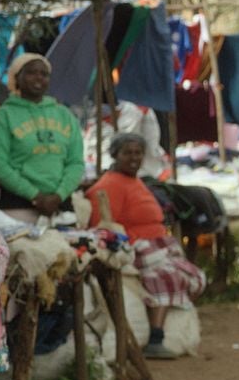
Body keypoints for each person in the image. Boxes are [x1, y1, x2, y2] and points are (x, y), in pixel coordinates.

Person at [86, 133, 207, 360]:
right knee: (165, 276)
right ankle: (156, 337)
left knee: (190, 274)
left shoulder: (135, 180)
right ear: (115, 155)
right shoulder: (110, 184)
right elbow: (105, 225)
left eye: (138, 153)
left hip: (158, 244)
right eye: (127, 153)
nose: (134, 158)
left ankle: (171, 330)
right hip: (135, 247)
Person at [0, 54, 85, 225]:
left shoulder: (64, 114)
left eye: (44, 74)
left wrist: (58, 196)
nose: (38, 77)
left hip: (60, 208)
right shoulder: (3, 116)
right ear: (16, 77)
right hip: (18, 207)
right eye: (31, 72)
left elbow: (76, 162)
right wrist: (35, 196)